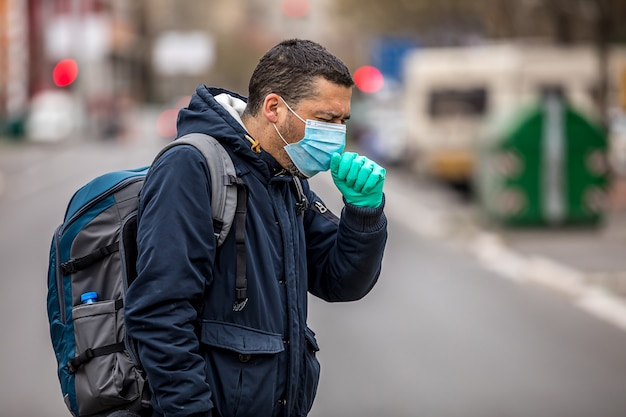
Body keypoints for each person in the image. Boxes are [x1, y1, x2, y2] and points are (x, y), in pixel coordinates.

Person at [124, 38, 388, 417]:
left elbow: (341, 280)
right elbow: (160, 314)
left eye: (343, 121)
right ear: (274, 108)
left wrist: (364, 214)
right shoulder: (191, 167)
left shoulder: (287, 178)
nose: (337, 135)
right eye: (327, 119)